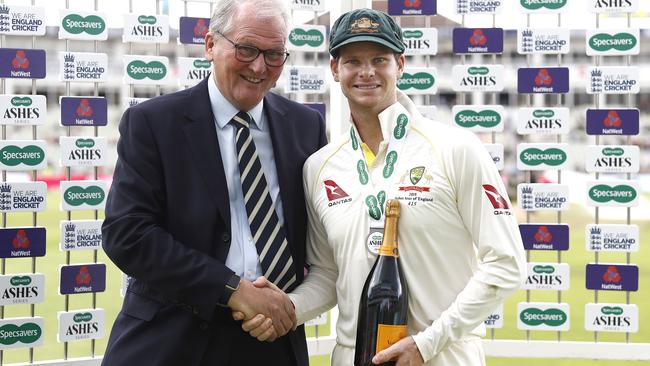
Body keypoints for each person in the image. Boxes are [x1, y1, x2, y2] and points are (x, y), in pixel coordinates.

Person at [239, 8, 526, 366]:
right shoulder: (320, 167)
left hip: (440, 355)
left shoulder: (455, 148)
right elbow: (328, 275)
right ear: (335, 70)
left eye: (380, 59)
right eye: (353, 61)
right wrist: (284, 310)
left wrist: (426, 344)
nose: (366, 72)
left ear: (400, 65)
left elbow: (507, 263)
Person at [101, 0, 327, 364]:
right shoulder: (153, 123)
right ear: (210, 45)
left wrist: (291, 306)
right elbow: (127, 233)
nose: (259, 66)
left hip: (272, 341)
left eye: (274, 54)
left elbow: (323, 246)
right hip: (173, 338)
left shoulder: (306, 127)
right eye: (247, 49)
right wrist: (231, 289)